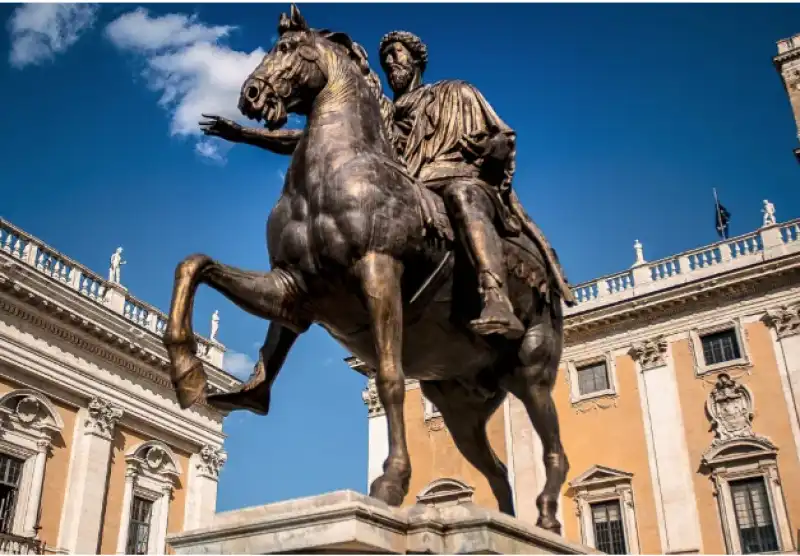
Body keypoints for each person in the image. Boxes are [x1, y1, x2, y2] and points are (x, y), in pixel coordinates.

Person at [378, 31, 574, 339]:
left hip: (459, 179)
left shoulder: (455, 92)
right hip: (411, 187)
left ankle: (495, 297)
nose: (390, 62)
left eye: (396, 53)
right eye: (385, 58)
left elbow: (502, 137)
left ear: (414, 59)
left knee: (461, 194)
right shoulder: (384, 118)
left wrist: (488, 148)